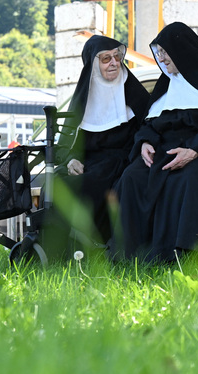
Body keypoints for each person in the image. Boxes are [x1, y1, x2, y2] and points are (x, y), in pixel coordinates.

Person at [114, 22, 198, 263]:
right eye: (159, 53)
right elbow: (151, 122)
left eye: (165, 52)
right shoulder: (165, 85)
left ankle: (184, 254)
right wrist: (145, 142)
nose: (161, 58)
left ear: (181, 50)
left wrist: (195, 150)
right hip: (165, 149)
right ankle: (130, 253)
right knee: (132, 177)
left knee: (190, 179)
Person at [51, 35, 149, 250]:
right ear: (94, 65)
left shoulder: (132, 90)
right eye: (106, 59)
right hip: (91, 162)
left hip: (123, 160)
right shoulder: (83, 99)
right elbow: (67, 144)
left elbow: (150, 127)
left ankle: (95, 245)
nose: (114, 63)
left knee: (90, 184)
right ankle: (56, 251)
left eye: (117, 57)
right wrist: (71, 159)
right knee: (59, 181)